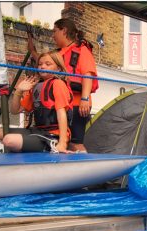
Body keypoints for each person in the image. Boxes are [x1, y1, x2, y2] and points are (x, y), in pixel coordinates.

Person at [28, 18, 98, 153]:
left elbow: (88, 74)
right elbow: (45, 64)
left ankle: (85, 168)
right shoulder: (60, 53)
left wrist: (84, 99)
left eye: (55, 31)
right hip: (61, 104)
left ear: (64, 30)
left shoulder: (82, 50)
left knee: (75, 142)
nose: (53, 35)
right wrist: (32, 51)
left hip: (77, 104)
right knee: (65, 141)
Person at [0, 51, 73, 153]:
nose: (42, 66)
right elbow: (15, 110)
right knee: (0, 133)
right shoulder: (37, 86)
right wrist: (19, 91)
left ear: (58, 68)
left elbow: (61, 113)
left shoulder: (58, 84)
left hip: (53, 134)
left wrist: (62, 143)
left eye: (47, 64)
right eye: (40, 64)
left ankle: (50, 145)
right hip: (37, 131)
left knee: (9, 140)